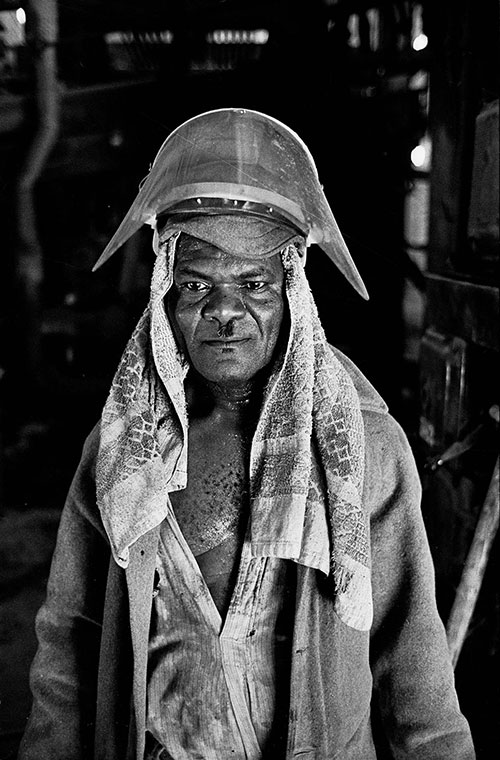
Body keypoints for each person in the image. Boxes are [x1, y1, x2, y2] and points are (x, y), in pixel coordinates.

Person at [18, 108, 475, 760]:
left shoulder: (360, 448)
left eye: (254, 282)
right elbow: (69, 638)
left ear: (293, 292)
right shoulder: (124, 452)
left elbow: (414, 665)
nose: (224, 311)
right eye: (197, 283)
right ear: (165, 296)